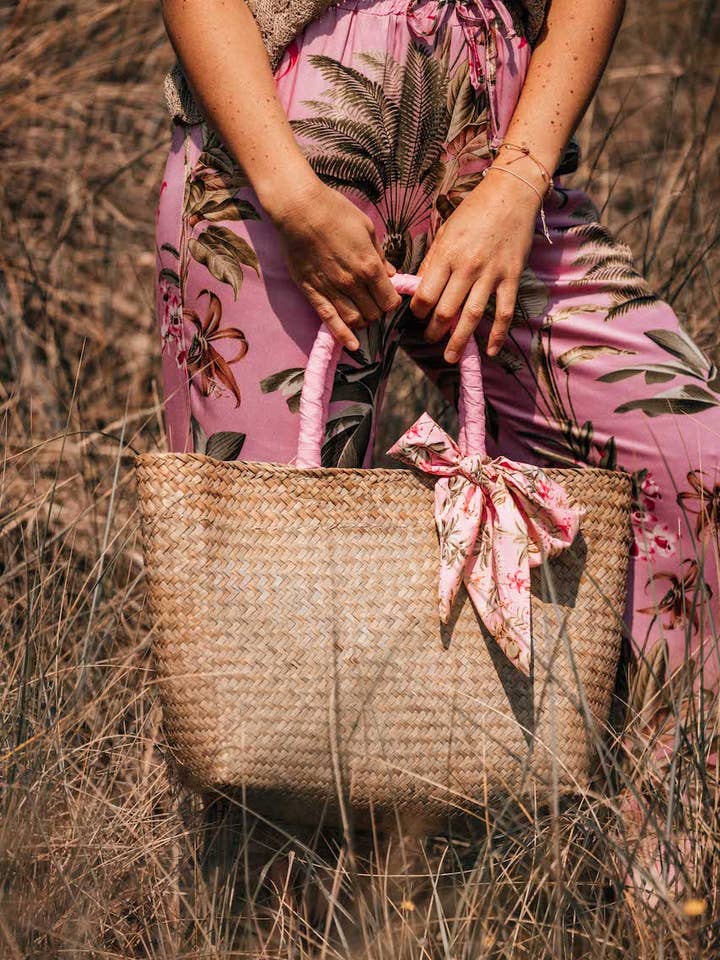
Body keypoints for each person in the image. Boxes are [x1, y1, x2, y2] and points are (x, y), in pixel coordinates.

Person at [156, 0, 718, 924]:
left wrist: (516, 186)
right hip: (276, 162)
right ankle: (283, 930)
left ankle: (654, 908)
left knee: (690, 462)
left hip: (498, 177)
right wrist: (290, 193)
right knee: (267, 595)